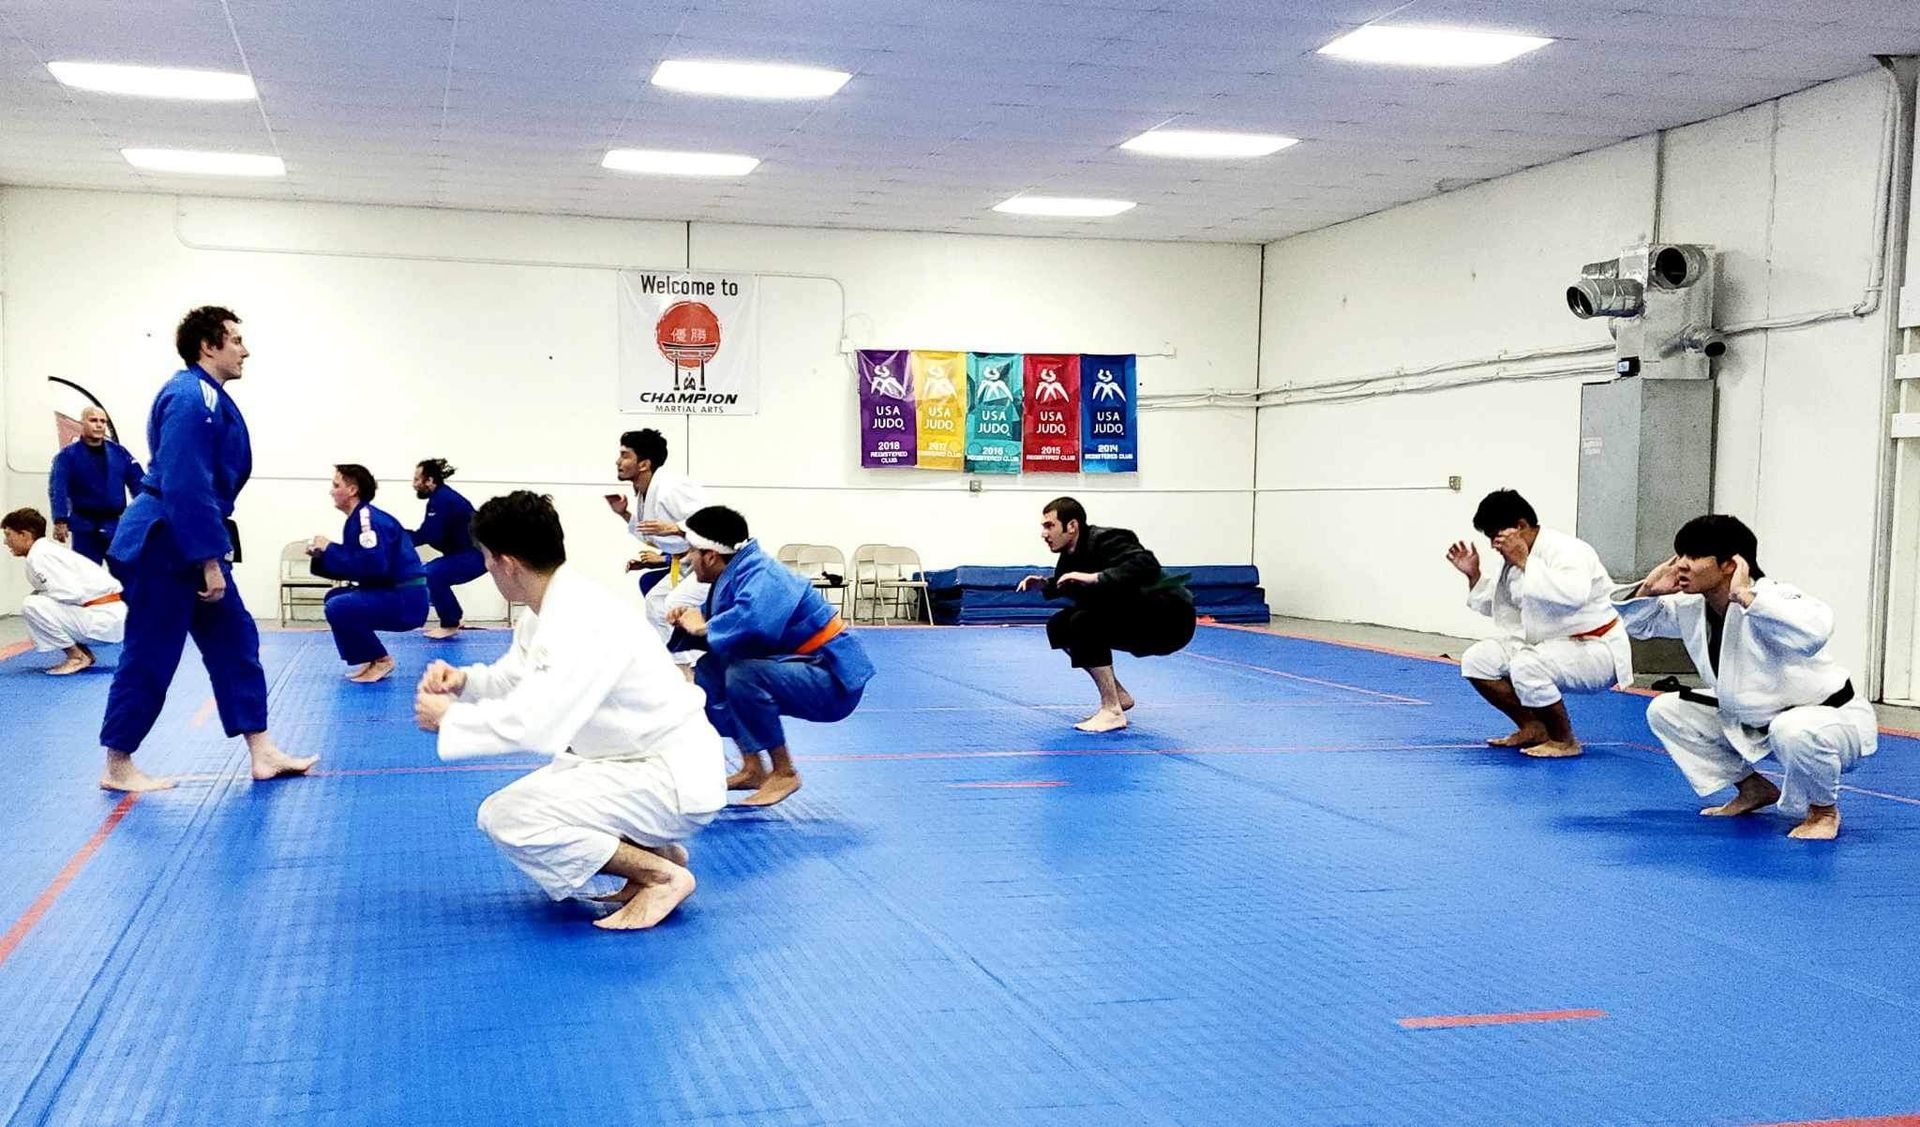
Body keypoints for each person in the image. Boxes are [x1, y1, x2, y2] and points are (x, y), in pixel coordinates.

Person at [413, 491, 726, 930]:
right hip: (631, 762)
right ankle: (655, 851)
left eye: (485, 557)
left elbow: (538, 725)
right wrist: (464, 682)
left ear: (506, 562)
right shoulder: (549, 608)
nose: (485, 568)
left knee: (509, 816)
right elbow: (515, 677)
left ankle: (661, 876)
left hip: (669, 778)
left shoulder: (581, 618)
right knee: (550, 784)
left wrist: (449, 720)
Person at [99, 306, 315, 793]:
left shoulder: (208, 397)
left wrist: (208, 553)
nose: (245, 350)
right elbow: (185, 481)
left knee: (237, 641)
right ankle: (117, 763)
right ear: (208, 346)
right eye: (236, 340)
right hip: (167, 542)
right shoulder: (190, 394)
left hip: (190, 537)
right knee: (151, 652)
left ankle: (263, 751)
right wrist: (208, 560)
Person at [1614, 515, 1876, 840]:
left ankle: (1823, 811)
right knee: (1667, 710)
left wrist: (1747, 597)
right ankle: (1753, 789)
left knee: (1792, 730)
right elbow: (1641, 625)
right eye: (1679, 555)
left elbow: (1816, 631)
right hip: (1756, 721)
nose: (1680, 565)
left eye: (1693, 556)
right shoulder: (1694, 607)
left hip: (1827, 723)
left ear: (1730, 564)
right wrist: (1648, 590)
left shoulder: (1775, 597)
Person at [668, 505, 875, 807]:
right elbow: (732, 631)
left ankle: (784, 772)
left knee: (744, 674)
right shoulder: (737, 573)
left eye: (691, 551)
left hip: (834, 679)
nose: (688, 559)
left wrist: (705, 626)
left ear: (710, 555)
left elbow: (754, 624)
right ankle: (754, 767)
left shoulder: (763, 574)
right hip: (803, 666)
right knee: (711, 671)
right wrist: (693, 622)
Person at [1445, 489, 1632, 759]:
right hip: (1545, 646)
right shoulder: (1512, 559)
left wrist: (1524, 561)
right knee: (1477, 660)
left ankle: (1564, 740)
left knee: (1526, 665)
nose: (1493, 546)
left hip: (1594, 648)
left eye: (1495, 537)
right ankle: (1532, 726)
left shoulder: (1569, 550)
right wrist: (1473, 575)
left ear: (1520, 526)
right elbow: (1499, 605)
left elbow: (1572, 596)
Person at [1016, 497, 1195, 733]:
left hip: (1170, 618)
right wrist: (1046, 585)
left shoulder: (1108, 538)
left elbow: (1146, 564)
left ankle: (1111, 711)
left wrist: (1096, 577)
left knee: (1084, 622)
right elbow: (1072, 584)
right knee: (1060, 625)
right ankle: (1118, 696)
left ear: (1072, 526)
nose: (1044, 533)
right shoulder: (1069, 556)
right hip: (1139, 615)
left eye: (1049, 526)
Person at [308, 464, 430, 684]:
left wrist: (330, 549)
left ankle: (382, 660)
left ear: (353, 490)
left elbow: (374, 567)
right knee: (334, 598)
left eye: (336, 485)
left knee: (339, 606)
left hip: (407, 599)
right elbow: (359, 564)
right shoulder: (359, 518)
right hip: (394, 592)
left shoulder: (367, 520)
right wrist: (321, 555)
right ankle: (371, 657)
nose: (331, 491)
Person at [605, 428, 709, 681]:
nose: (618, 461)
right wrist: (624, 514)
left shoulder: (671, 488)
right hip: (688, 562)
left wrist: (676, 528)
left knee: (669, 604)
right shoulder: (645, 491)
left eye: (625, 455)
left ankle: (690, 672)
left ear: (644, 464)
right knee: (656, 602)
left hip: (716, 564)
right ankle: (678, 665)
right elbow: (654, 536)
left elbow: (711, 525)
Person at [4, 507, 126, 675]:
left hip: (103, 618)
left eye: (8, 535)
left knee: (32, 605)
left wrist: (42, 598)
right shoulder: (46, 551)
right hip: (108, 614)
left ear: (24, 535)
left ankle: (76, 657)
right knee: (41, 602)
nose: (5, 542)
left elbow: (71, 593)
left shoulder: (40, 557)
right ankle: (84, 654)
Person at [48, 406, 146, 564]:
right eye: (93, 420)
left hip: (115, 526)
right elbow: (58, 488)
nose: (99, 425)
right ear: (82, 423)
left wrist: (145, 513)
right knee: (87, 580)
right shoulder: (67, 456)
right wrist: (60, 520)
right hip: (85, 528)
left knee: (127, 576)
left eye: (103, 421)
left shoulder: (119, 453)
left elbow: (139, 484)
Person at [408, 458, 484, 639]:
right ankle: (453, 619)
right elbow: (429, 534)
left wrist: (396, 537)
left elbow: (430, 535)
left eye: (417, 479)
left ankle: (450, 623)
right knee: (432, 573)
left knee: (431, 573)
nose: (413, 484)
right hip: (468, 554)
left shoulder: (442, 499)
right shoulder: (440, 498)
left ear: (430, 481)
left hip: (476, 555)